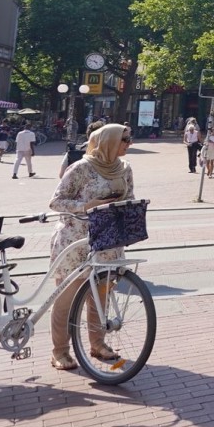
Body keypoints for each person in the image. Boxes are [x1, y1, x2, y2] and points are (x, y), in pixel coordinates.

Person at [47, 123, 133, 371]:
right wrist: (86, 206)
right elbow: (56, 202)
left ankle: (98, 344)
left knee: (100, 297)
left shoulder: (124, 169)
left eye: (129, 139)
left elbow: (128, 197)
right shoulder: (81, 168)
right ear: (108, 141)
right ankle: (60, 351)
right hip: (76, 242)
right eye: (124, 139)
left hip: (106, 241)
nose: (129, 144)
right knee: (66, 299)